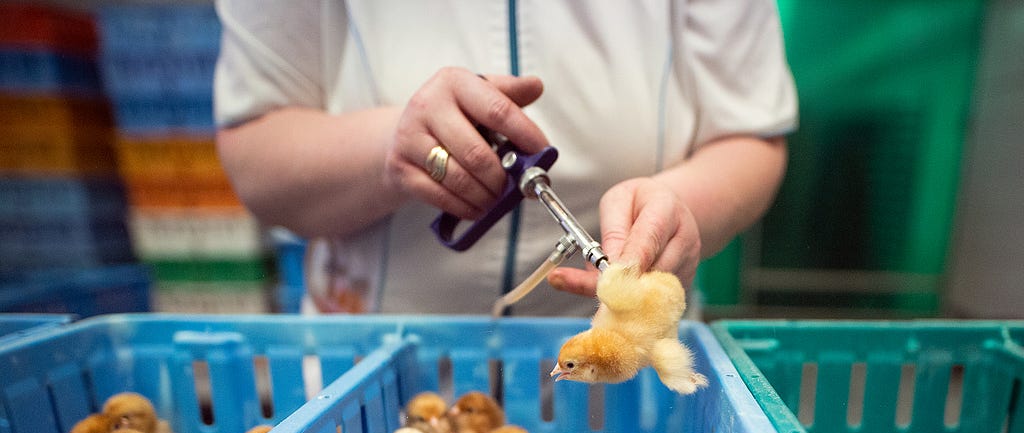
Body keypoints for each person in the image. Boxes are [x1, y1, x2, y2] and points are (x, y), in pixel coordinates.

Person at [213, 1, 797, 316]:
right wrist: (390, 148)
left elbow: (748, 130)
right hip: (376, 387)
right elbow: (258, 153)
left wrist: (684, 208)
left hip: (622, 386)